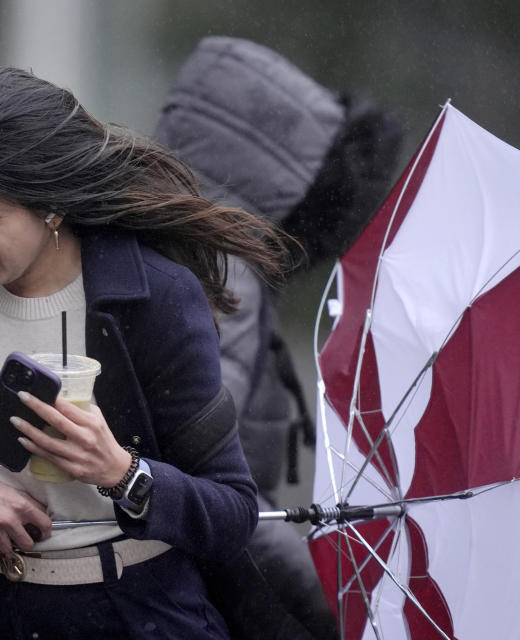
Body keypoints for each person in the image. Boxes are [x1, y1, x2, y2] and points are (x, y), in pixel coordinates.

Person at [0, 65, 293, 639]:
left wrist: (122, 472)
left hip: (136, 615)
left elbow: (232, 512)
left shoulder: (156, 294)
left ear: (52, 206)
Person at [154, 36, 404, 639]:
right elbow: (210, 485)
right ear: (282, 172)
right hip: (200, 596)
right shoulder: (220, 270)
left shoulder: (181, 245)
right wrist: (334, 609)